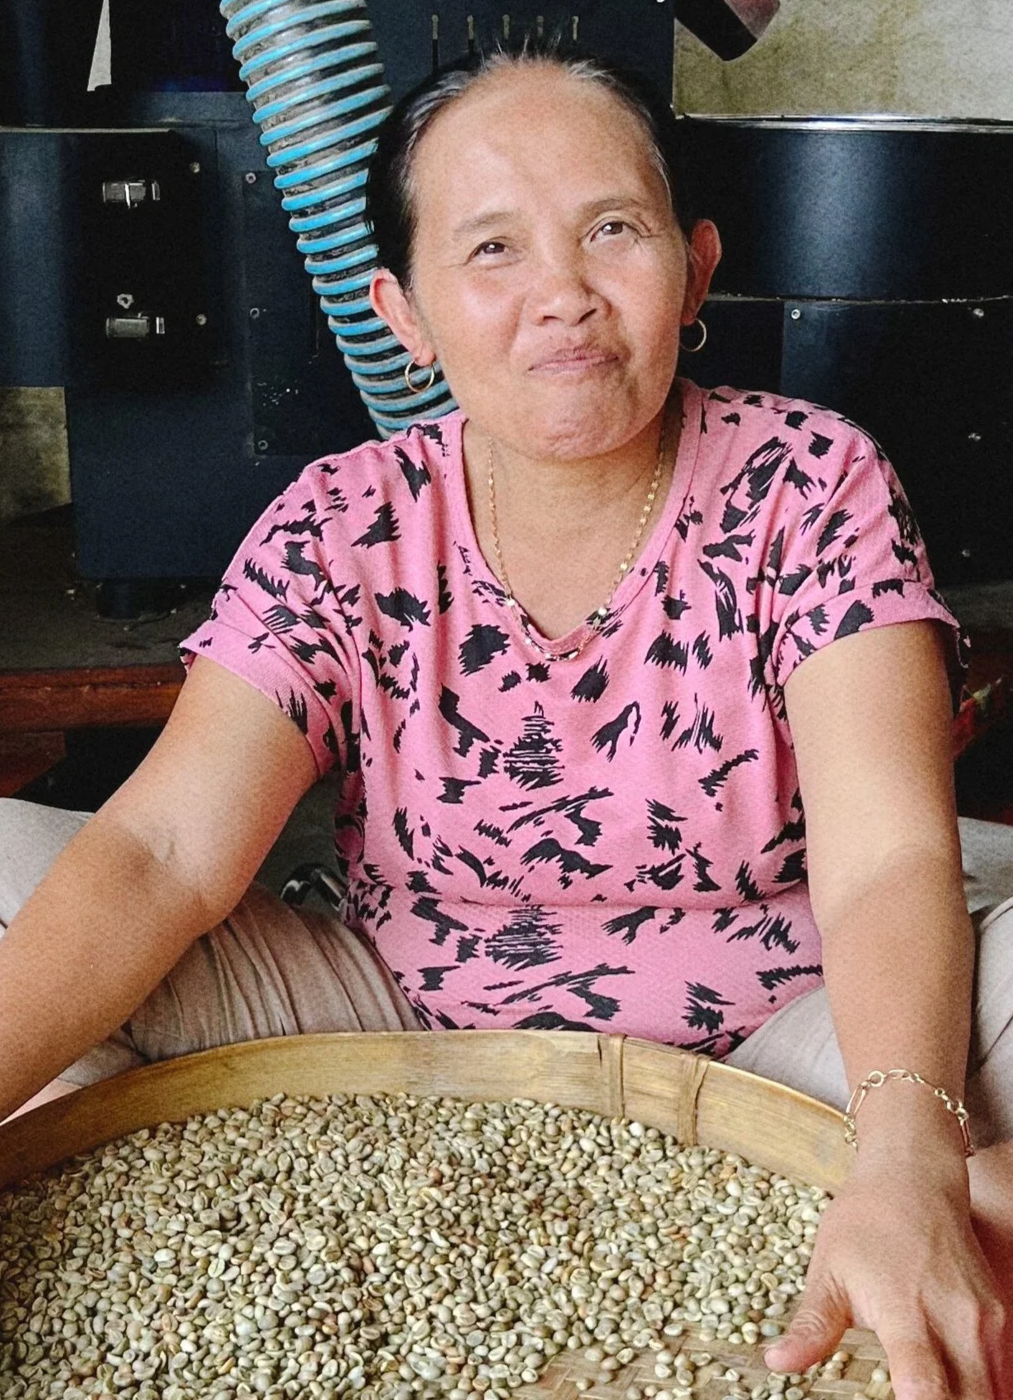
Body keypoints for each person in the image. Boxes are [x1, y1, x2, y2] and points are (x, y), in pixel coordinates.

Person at [2, 41, 1013, 1392]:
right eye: (490, 251)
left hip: (783, 1035)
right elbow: (163, 854)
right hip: (399, 1014)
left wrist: (903, 1155)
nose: (564, 299)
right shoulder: (346, 521)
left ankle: (902, 1219)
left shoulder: (808, 485)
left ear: (697, 264)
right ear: (402, 311)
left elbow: (892, 856)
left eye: (613, 231)